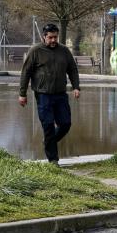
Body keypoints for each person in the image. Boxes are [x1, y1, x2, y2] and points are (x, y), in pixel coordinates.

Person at [19, 23, 80, 166]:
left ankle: (48, 140)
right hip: (43, 95)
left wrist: (76, 87)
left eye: (55, 37)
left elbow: (72, 69)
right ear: (44, 37)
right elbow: (25, 72)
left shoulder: (64, 51)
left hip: (60, 94)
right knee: (48, 125)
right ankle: (53, 160)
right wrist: (22, 94)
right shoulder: (35, 51)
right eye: (50, 37)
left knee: (65, 123)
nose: (53, 40)